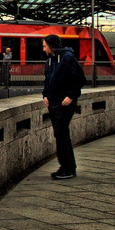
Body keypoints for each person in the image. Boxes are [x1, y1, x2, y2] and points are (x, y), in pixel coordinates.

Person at [41, 33, 84, 180]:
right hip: (53, 103)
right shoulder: (50, 61)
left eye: (45, 46)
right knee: (61, 134)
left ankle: (66, 168)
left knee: (61, 134)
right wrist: (45, 95)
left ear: (51, 46)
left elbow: (80, 78)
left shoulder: (67, 58)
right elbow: (47, 80)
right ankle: (69, 167)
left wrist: (70, 96)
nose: (43, 49)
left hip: (65, 103)